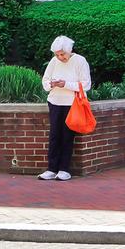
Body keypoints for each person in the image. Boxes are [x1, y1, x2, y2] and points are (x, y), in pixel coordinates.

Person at [40, 35, 91, 180]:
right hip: (55, 101)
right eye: (57, 54)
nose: (60, 57)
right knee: (54, 135)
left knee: (67, 136)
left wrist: (65, 84)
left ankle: (64, 169)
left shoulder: (80, 61)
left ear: (69, 50)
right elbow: (45, 81)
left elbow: (86, 84)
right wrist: (52, 84)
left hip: (72, 104)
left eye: (62, 54)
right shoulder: (54, 61)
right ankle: (51, 169)